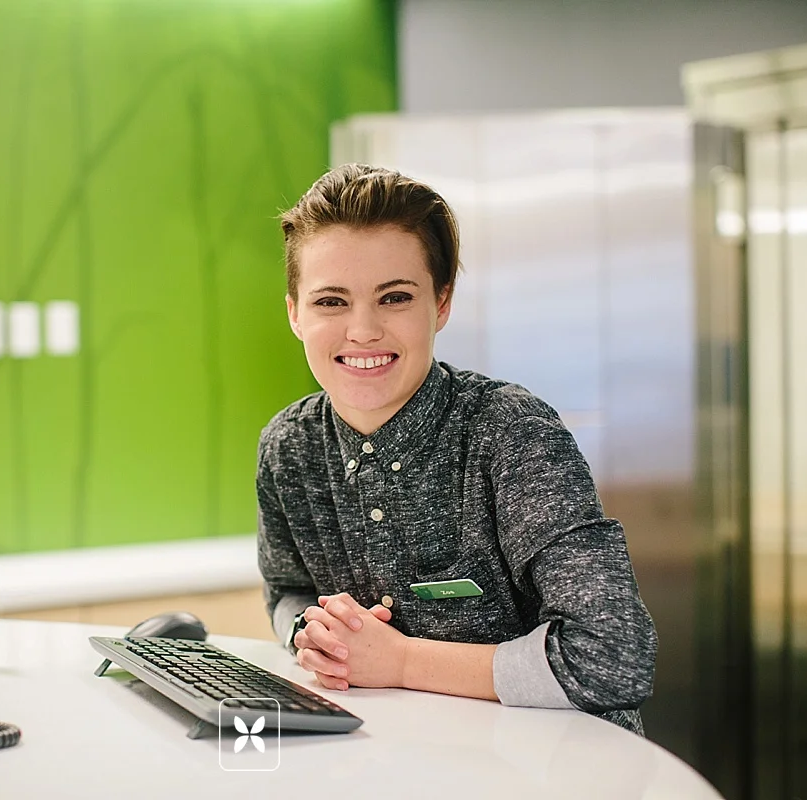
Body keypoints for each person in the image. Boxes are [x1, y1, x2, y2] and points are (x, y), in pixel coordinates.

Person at [256, 163, 658, 734]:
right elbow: (287, 592)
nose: (363, 330)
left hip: (561, 763)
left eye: (395, 297)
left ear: (441, 303)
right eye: (331, 302)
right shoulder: (288, 446)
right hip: (406, 758)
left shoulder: (512, 432)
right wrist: (311, 632)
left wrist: (400, 661)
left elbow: (613, 656)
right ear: (295, 312)